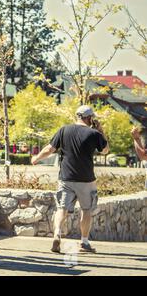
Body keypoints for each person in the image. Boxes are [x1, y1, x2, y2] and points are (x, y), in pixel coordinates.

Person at [31, 105, 109, 253]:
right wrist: (101, 131)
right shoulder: (94, 134)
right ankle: (84, 243)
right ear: (89, 118)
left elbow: (49, 149)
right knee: (86, 210)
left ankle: (57, 234)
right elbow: (105, 150)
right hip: (86, 179)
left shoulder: (64, 130)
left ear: (77, 116)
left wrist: (36, 159)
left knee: (62, 208)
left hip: (66, 178)